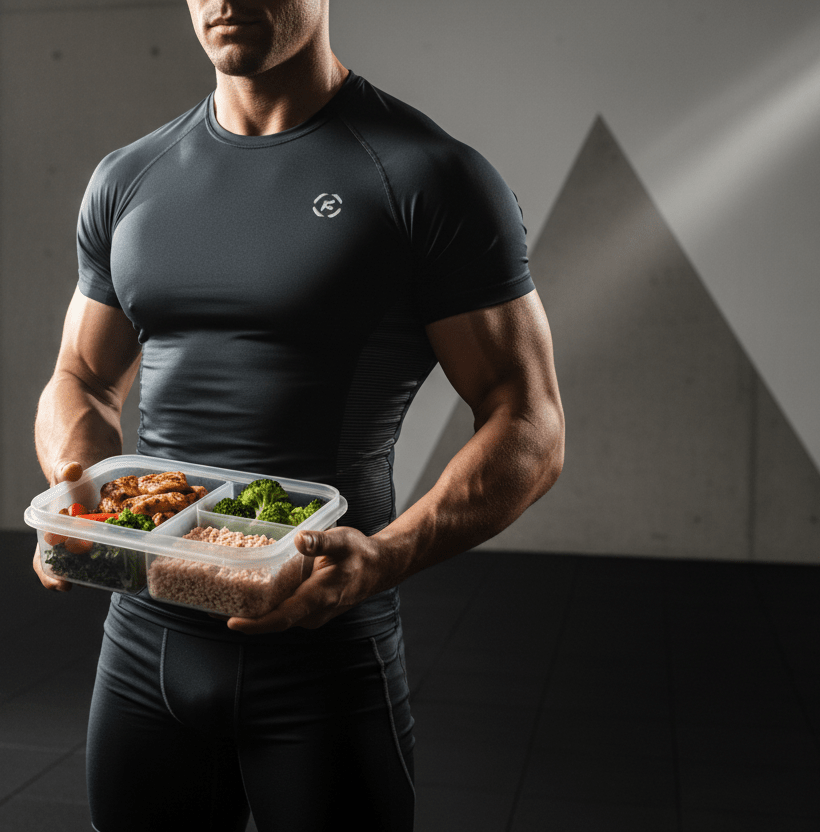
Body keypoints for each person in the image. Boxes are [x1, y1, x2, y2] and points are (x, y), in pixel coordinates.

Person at [32, 1, 564, 829]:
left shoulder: (426, 175)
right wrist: (82, 489)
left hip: (321, 654)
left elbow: (529, 423)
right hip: (142, 644)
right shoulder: (130, 178)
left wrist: (384, 560)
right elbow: (81, 377)